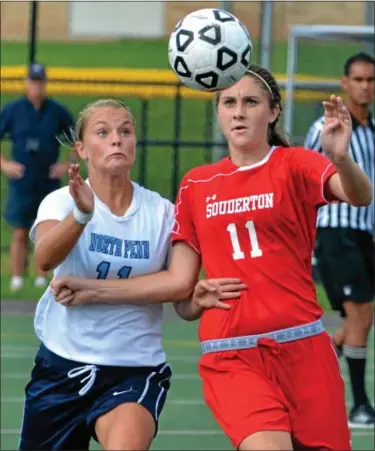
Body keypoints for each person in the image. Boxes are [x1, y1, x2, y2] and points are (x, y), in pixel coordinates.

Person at [51, 65, 373, 450]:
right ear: (218, 111)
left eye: (251, 102)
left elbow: (360, 196)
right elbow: (184, 295)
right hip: (234, 355)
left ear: (272, 112)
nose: (239, 111)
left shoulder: (296, 164)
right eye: (229, 102)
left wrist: (341, 158)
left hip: (304, 349)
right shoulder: (197, 184)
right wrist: (193, 301)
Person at [20, 98, 240, 451]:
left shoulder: (163, 213)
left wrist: (193, 302)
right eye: (103, 132)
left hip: (133, 369)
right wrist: (81, 216)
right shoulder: (62, 202)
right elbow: (45, 259)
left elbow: (179, 290)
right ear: (82, 148)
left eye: (125, 131)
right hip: (61, 367)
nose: (116, 140)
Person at [304, 52, 374, 428]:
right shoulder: (324, 127)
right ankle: (361, 406)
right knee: (360, 313)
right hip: (335, 230)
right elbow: (302, 173)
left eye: (371, 80)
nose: (365, 86)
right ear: (345, 83)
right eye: (358, 79)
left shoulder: (373, 132)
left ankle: (306, 367)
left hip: (365, 233)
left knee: (360, 322)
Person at [0, 62, 75, 291]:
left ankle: (43, 276)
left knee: (47, 229)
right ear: (26, 83)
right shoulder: (14, 110)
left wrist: (67, 164)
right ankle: (17, 278)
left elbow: (76, 138)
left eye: (40, 81)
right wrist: (5, 164)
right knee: (20, 230)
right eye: (33, 81)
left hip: (47, 178)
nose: (36, 86)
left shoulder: (56, 111)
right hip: (22, 179)